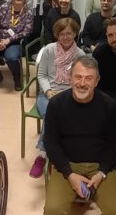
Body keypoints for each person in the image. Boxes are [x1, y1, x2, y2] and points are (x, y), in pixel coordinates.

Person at [43, 57, 116, 215]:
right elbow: (51, 144)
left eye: (88, 78)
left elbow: (114, 143)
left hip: (101, 166)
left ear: (97, 81)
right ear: (69, 79)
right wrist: (69, 174)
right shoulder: (56, 104)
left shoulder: (110, 105)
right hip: (68, 166)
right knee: (52, 211)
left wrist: (102, 172)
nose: (82, 83)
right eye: (78, 77)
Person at [30, 18, 85, 178]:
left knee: (60, 116)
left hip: (69, 95)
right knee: (51, 113)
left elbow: (78, 79)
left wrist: (68, 94)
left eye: (69, 33)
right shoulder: (49, 49)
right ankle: (43, 155)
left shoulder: (80, 55)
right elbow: (42, 75)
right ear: (57, 35)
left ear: (75, 34)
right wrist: (48, 91)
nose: (65, 37)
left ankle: (52, 153)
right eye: (62, 34)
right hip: (47, 95)